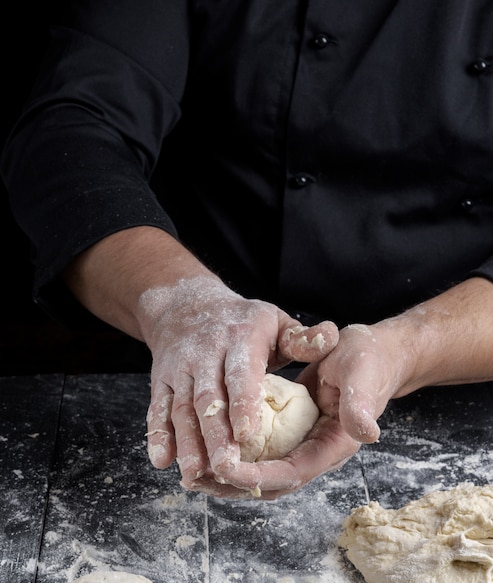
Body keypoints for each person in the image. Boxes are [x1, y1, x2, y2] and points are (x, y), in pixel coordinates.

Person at [2, 0, 493, 499]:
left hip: (462, 392)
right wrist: (179, 303)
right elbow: (71, 129)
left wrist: (409, 347)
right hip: (182, 380)